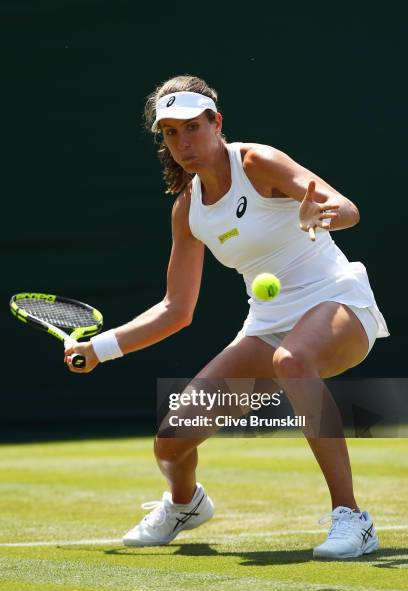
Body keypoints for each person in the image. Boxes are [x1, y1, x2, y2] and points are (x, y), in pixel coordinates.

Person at [65, 74, 389, 559]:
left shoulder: (258, 161)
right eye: (170, 133)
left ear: (217, 123)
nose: (182, 142)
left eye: (192, 128)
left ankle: (353, 519)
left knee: (291, 360)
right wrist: (99, 348)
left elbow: (347, 209)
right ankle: (184, 505)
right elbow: (177, 310)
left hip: (339, 301)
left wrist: (321, 213)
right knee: (172, 441)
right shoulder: (187, 210)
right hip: (267, 324)